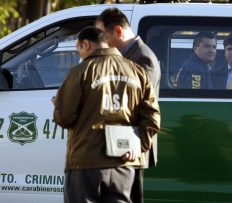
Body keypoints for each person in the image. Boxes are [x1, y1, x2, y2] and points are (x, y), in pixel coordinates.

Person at [53, 26, 160, 203]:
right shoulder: (138, 72)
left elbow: (65, 117)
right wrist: (137, 145)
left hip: (86, 163)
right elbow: (152, 116)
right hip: (125, 165)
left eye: (78, 49)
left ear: (85, 44)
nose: (79, 54)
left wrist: (58, 105)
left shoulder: (80, 71)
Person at [96, 7, 161, 203]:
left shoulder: (142, 58)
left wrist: (134, 144)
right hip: (122, 146)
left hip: (130, 148)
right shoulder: (127, 54)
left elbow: (140, 108)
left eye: (102, 35)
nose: (100, 41)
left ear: (117, 31)